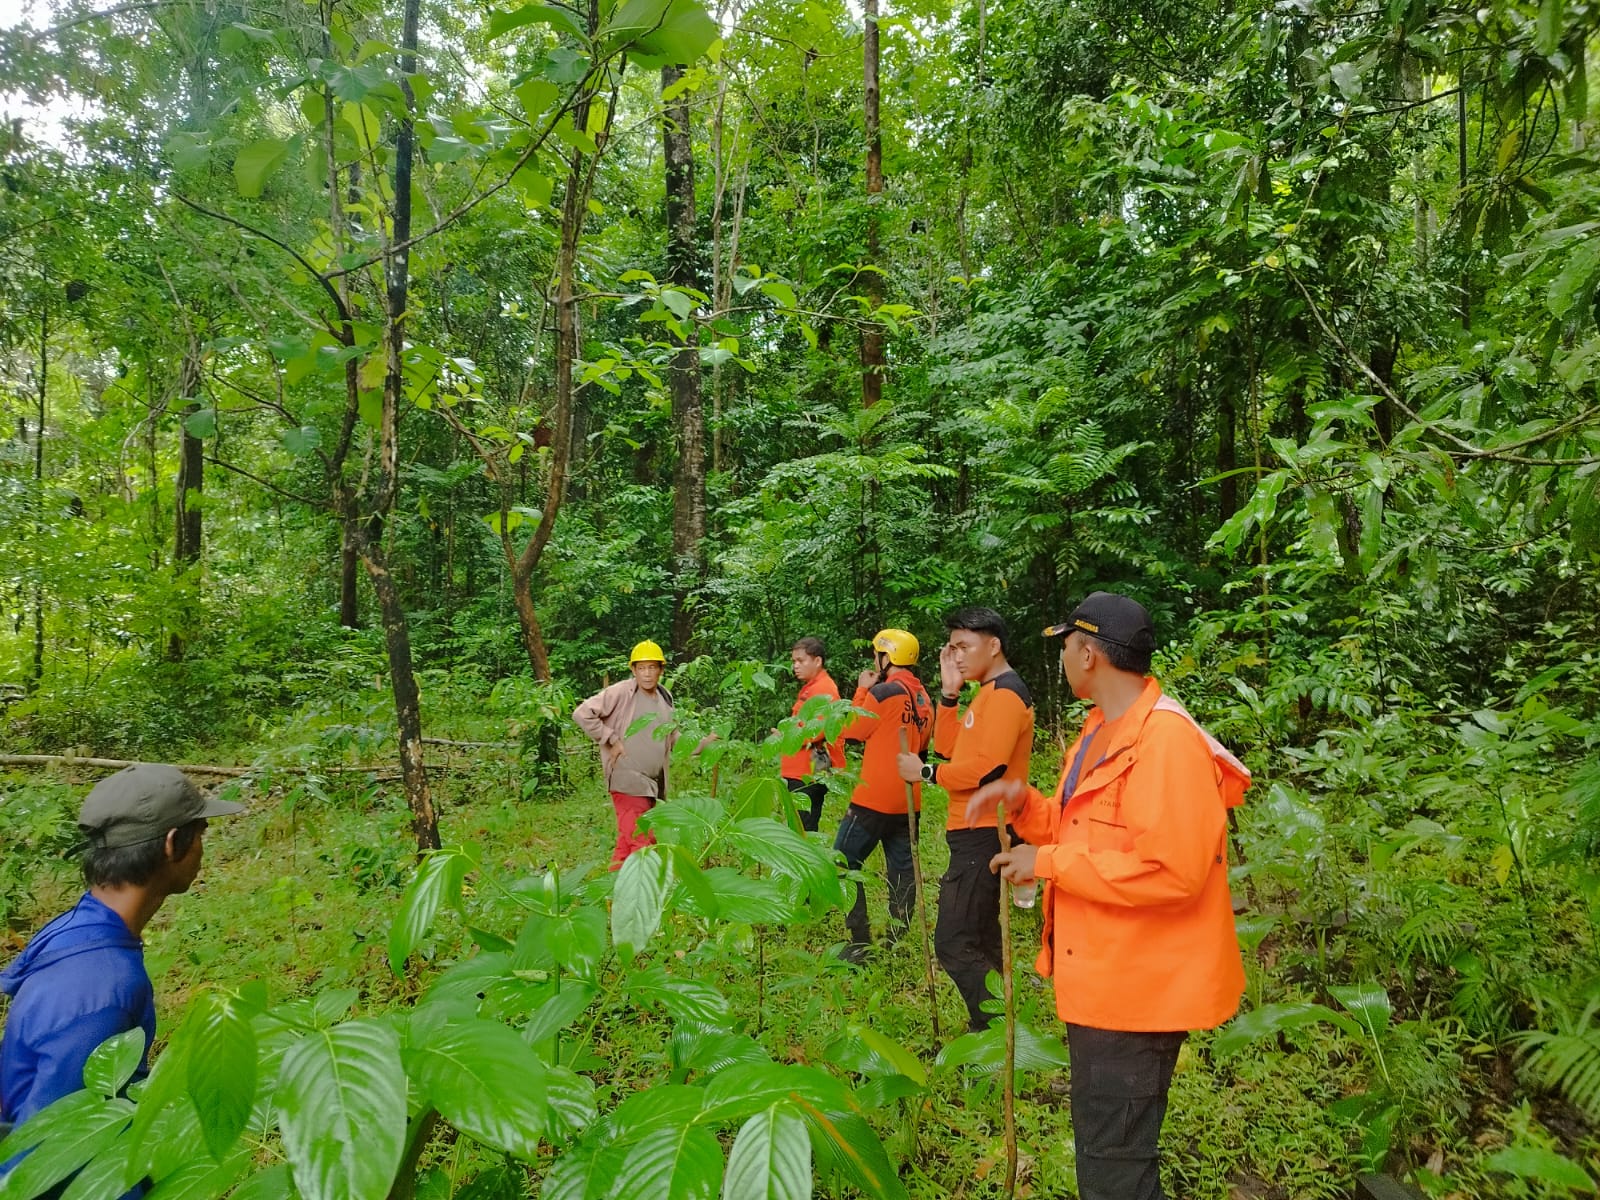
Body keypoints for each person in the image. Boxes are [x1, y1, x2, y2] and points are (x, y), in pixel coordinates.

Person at [969, 592, 1250, 1200]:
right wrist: (1025, 804)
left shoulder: (1165, 742)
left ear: (1089, 653)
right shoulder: (1099, 729)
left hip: (1139, 994)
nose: (1062, 658)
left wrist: (1047, 862)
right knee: (1109, 1154)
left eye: (1066, 645)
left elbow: (1172, 872)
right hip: (1102, 982)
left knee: (1114, 1171)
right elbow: (1081, 828)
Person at [1, 763, 244, 1162]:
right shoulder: (103, 987)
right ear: (172, 844)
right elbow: (50, 1153)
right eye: (201, 833)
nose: (203, 847)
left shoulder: (78, 929)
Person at [896, 606, 1034, 1032]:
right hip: (971, 830)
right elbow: (949, 748)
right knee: (980, 936)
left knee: (954, 941)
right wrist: (949, 695)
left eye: (964, 647)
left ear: (993, 646)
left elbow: (988, 769)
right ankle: (1000, 1032)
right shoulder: (987, 693)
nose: (956, 655)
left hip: (985, 831)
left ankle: (991, 1029)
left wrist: (925, 773)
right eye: (951, 648)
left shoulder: (1007, 694)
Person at [832, 629, 933, 960]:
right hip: (908, 799)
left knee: (842, 860)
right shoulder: (924, 699)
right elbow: (923, 745)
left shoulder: (883, 692)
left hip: (873, 799)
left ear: (887, 657)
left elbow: (852, 730)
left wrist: (862, 688)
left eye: (878, 654)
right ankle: (897, 942)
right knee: (902, 871)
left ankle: (859, 942)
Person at [574, 639, 680, 870]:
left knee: (626, 843)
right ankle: (643, 889)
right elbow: (582, 714)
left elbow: (673, 738)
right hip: (627, 778)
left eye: (652, 667)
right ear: (633, 670)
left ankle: (614, 885)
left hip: (650, 784)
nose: (647, 674)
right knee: (642, 842)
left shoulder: (665, 698)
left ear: (661, 670)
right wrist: (611, 739)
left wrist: (705, 744)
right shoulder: (622, 692)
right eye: (641, 668)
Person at [780, 636, 846, 833]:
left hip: (807, 773)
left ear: (817, 661)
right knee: (798, 827)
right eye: (794, 661)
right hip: (800, 770)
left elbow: (817, 730)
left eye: (801, 660)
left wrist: (787, 736)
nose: (795, 666)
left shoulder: (823, 689)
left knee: (803, 831)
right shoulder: (812, 687)